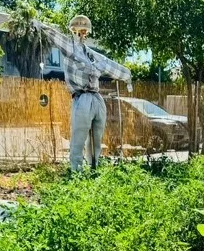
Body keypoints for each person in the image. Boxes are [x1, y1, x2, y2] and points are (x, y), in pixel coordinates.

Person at [34, 15, 132, 170]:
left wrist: (126, 76)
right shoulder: (70, 48)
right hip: (81, 97)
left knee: (97, 137)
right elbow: (56, 37)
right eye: (79, 30)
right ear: (73, 31)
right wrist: (41, 27)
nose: (82, 34)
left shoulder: (92, 55)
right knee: (79, 136)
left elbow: (108, 65)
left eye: (84, 31)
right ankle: (76, 169)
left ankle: (94, 166)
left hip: (97, 98)